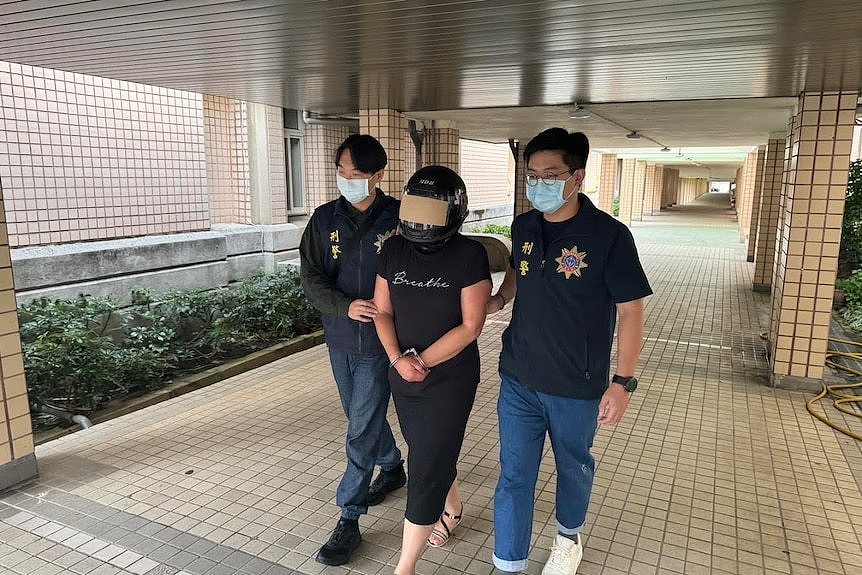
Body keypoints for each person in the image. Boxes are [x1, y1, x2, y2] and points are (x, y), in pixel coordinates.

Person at [489, 128, 652, 575]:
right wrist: (499, 300)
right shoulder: (524, 225)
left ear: (577, 176)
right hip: (519, 376)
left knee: (574, 466)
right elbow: (519, 270)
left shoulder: (609, 236)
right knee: (514, 475)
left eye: (551, 174)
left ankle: (567, 537)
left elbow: (631, 311)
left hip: (576, 384)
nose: (539, 183)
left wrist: (622, 383)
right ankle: (508, 563)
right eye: (532, 174)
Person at [373, 165, 491, 575]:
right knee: (426, 449)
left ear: (453, 212)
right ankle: (452, 505)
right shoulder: (392, 250)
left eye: (432, 211)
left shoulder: (470, 255)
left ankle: (405, 567)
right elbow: (382, 310)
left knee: (424, 465)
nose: (421, 220)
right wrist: (397, 360)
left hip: (448, 379)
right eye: (415, 209)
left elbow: (471, 326)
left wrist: (420, 361)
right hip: (402, 372)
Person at [299, 134, 407, 566]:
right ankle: (392, 463)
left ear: (378, 174)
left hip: (386, 341)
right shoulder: (325, 219)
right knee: (358, 414)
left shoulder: (400, 216)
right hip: (342, 336)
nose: (347, 180)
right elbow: (311, 277)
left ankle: (349, 515)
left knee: (360, 424)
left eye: (357, 173)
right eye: (341, 172)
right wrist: (345, 306)